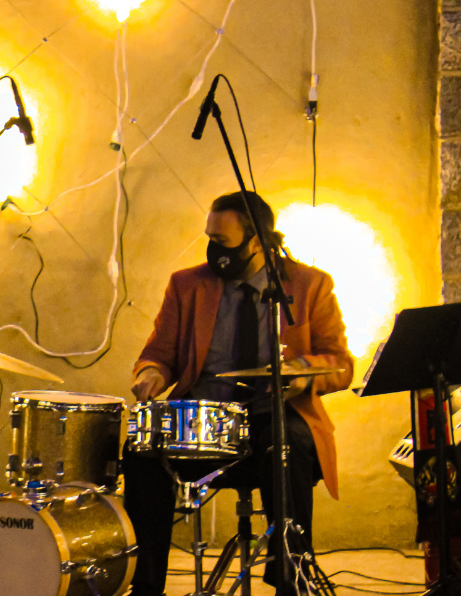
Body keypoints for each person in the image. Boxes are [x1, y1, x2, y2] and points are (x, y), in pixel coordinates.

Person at [124, 191, 353, 596]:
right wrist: (150, 375)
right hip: (202, 419)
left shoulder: (309, 285)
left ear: (259, 240)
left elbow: (340, 363)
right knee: (140, 450)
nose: (215, 250)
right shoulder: (187, 285)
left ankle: (290, 577)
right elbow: (158, 354)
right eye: (209, 238)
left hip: (273, 414)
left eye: (224, 242)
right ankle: (145, 584)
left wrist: (301, 373)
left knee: (289, 443)